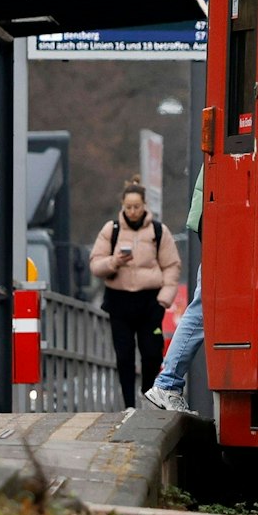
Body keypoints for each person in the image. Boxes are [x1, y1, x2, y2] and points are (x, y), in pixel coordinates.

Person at [88, 177, 180, 408]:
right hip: (119, 302)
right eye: (128, 207)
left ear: (144, 205)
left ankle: (146, 391)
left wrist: (164, 300)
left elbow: (171, 265)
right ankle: (129, 404)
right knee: (124, 355)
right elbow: (95, 264)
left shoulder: (159, 231)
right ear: (122, 205)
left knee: (152, 353)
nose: (132, 211)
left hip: (150, 302)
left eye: (136, 206)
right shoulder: (112, 230)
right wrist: (114, 262)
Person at [143, 170, 206, 415]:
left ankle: (168, 383)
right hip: (218, 223)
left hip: (210, 221)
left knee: (203, 306)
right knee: (204, 307)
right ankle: (168, 383)